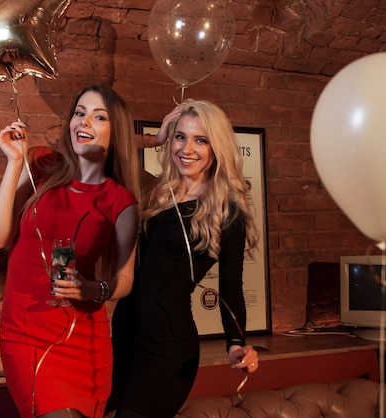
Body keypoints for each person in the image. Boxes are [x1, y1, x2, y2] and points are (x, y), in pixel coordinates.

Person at [0, 84, 141, 418]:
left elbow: (125, 279)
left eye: (98, 117)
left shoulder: (120, 201)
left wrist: (90, 289)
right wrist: (14, 163)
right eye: (79, 113)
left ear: (116, 133)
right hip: (25, 333)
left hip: (84, 339)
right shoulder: (40, 164)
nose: (83, 122)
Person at [108, 99, 261, 418]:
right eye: (181, 137)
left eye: (201, 140)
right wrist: (156, 137)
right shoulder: (156, 192)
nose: (187, 148)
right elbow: (107, 147)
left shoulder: (225, 211)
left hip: (167, 348)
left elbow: (231, 289)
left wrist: (236, 344)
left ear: (216, 147)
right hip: (124, 334)